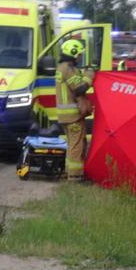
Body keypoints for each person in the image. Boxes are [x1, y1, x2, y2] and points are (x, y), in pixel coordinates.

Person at [56, 39, 94, 182]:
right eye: (78, 54)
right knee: (77, 146)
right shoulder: (68, 69)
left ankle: (69, 173)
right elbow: (80, 88)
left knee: (72, 145)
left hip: (66, 116)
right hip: (72, 116)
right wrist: (89, 76)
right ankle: (76, 177)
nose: (79, 57)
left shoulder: (62, 67)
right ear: (72, 53)